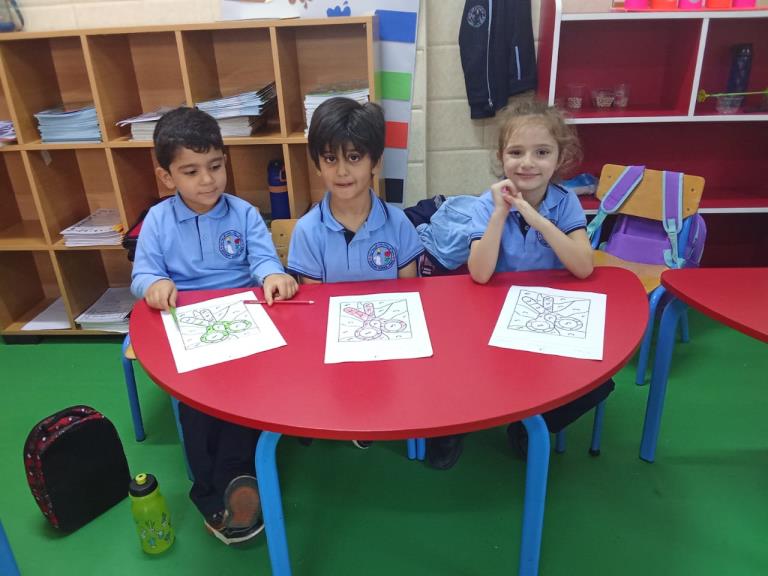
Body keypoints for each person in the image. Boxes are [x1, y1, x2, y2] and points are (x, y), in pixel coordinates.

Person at [130, 106, 298, 545]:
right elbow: (142, 274)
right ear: (167, 177)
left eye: (216, 166)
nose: (207, 180)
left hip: (244, 327)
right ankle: (215, 492)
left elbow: (263, 259)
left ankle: (234, 479)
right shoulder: (158, 221)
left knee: (245, 400)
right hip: (188, 329)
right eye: (191, 171)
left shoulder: (243, 214)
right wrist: (155, 284)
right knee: (198, 407)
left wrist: (273, 275)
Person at [467, 97, 614, 458]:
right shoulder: (486, 204)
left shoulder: (565, 202)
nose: (528, 163)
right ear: (501, 157)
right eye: (516, 152)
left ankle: (529, 424)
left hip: (550, 314)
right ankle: (486, 417)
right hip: (497, 315)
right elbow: (480, 274)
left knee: (599, 384)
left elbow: (583, 266)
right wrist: (500, 214)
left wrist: (536, 218)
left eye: (542, 152)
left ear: (559, 158)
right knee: (478, 370)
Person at [287, 97, 424, 449]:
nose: (342, 172)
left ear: (375, 161)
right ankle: (337, 412)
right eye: (330, 159)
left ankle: (380, 412)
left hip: (389, 338)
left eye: (354, 157)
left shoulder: (398, 224)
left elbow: (411, 295)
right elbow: (314, 309)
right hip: (333, 343)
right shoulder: (308, 231)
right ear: (317, 164)